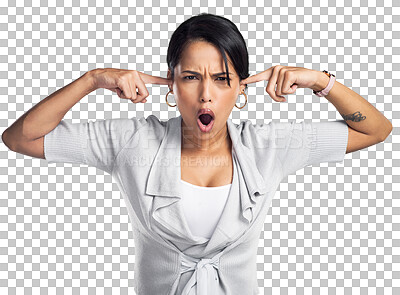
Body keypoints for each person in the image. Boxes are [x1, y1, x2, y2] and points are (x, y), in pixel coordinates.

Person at [2, 12, 392, 295]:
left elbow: (376, 129)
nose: (206, 94)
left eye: (222, 80)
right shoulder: (132, 141)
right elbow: (20, 138)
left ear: (241, 89)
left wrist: (320, 81)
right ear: (171, 83)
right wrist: (91, 80)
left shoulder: (268, 145)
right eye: (191, 77)